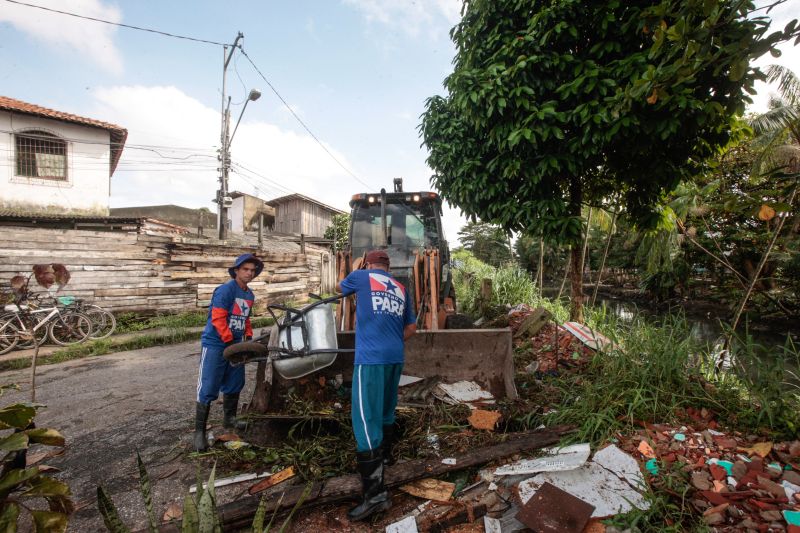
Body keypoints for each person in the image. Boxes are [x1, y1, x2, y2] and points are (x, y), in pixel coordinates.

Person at [336, 249, 417, 521]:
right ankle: (385, 459)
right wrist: (390, 342)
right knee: (385, 411)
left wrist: (357, 266)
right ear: (388, 266)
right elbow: (412, 328)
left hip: (370, 360)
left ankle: (375, 495)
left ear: (369, 263)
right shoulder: (402, 288)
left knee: (364, 418)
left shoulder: (361, 276)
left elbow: (339, 287)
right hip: (394, 357)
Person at [193, 253, 263, 452]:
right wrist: (229, 341)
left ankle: (229, 420)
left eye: (252, 270)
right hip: (216, 344)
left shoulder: (249, 295)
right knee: (208, 385)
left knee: (234, 382)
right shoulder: (225, 290)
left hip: (236, 345)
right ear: (236, 271)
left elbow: (245, 318)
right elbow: (218, 319)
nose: (249, 273)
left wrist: (248, 337)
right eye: (245, 269)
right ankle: (199, 432)